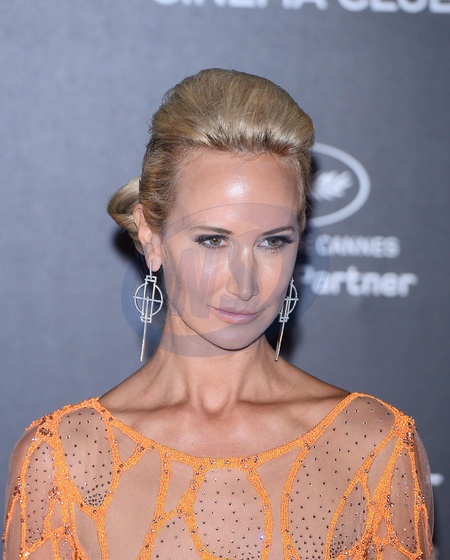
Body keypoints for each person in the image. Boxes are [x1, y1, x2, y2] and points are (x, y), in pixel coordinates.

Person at [3, 69, 433, 560]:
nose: (245, 284)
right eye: (213, 240)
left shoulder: (373, 446)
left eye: (273, 242)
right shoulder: (63, 459)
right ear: (151, 236)